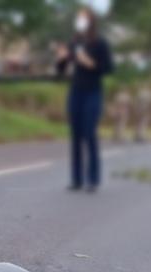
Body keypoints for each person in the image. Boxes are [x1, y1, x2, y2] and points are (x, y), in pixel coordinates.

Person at [55, 7, 113, 191]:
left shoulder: (99, 43)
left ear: (91, 21)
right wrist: (62, 59)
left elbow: (108, 68)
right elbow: (61, 70)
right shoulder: (74, 42)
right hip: (76, 92)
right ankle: (76, 179)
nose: (80, 21)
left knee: (89, 133)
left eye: (83, 18)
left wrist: (90, 63)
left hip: (93, 92)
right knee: (76, 135)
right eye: (78, 18)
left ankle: (93, 179)